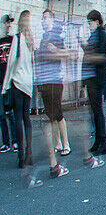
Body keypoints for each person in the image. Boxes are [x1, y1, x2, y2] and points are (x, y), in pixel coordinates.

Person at [2, 11, 39, 178]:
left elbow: (11, 63)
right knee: (27, 119)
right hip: (28, 85)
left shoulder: (17, 38)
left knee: (17, 119)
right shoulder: (31, 40)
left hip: (17, 83)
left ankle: (20, 156)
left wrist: (5, 86)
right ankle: (29, 154)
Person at [36, 10, 71, 157]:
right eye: (42, 18)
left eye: (46, 18)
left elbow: (66, 53)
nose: (43, 20)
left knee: (58, 112)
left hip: (55, 79)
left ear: (52, 20)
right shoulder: (43, 37)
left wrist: (55, 50)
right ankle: (58, 142)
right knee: (50, 114)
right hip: (45, 80)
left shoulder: (57, 36)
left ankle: (66, 143)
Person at [82, 9, 106, 157]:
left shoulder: (101, 35)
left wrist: (86, 49)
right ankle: (98, 142)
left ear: (97, 21)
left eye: (91, 22)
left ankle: (102, 143)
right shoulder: (95, 35)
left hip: (96, 78)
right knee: (94, 111)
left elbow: (101, 57)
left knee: (98, 111)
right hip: (91, 78)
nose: (89, 25)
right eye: (88, 22)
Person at [0, 14, 13, 153]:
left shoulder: (12, 39)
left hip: (9, 82)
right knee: (1, 114)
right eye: (7, 22)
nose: (9, 25)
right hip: (0, 81)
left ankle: (15, 142)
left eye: (10, 23)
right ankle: (5, 142)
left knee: (11, 113)